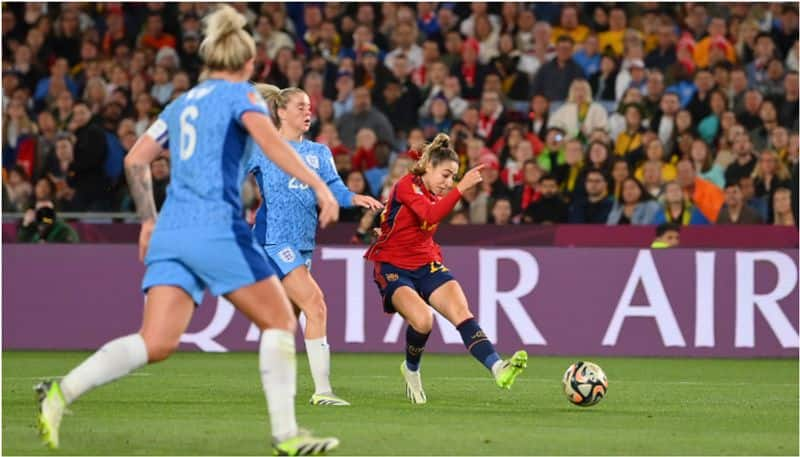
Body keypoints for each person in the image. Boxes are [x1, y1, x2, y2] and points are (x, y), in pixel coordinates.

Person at [34, 7, 340, 455]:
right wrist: (319, 185)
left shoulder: (182, 102)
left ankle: (61, 393)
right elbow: (274, 146)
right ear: (248, 64)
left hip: (171, 230)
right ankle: (287, 436)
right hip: (215, 226)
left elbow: (136, 159)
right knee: (280, 319)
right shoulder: (244, 99)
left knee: (154, 341)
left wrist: (148, 220)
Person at [364, 133, 527, 404]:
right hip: (392, 264)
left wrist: (455, 189)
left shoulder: (436, 192)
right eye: (445, 175)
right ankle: (412, 370)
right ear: (428, 167)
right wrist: (460, 188)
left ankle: (499, 368)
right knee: (424, 321)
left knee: (462, 313)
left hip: (427, 262)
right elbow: (429, 215)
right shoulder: (407, 184)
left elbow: (428, 217)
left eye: (453, 177)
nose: (448, 183)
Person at [247, 83, 383, 406]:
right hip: (274, 239)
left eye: (309, 107)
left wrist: (353, 198)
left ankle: (276, 384)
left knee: (286, 319)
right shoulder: (264, 147)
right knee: (316, 304)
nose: (308, 112)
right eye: (300, 107)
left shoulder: (319, 153)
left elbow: (333, 188)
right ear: (281, 112)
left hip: (303, 242)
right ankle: (322, 392)